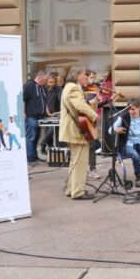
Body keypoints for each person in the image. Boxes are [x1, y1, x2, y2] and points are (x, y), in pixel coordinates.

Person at [59, 66, 98, 200]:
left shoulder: (68, 87)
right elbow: (80, 105)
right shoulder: (74, 88)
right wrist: (94, 115)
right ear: (77, 76)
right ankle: (78, 192)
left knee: (74, 162)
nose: (86, 77)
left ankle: (71, 189)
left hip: (71, 130)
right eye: (84, 75)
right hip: (75, 131)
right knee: (80, 163)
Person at [23, 71, 47, 163]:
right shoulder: (29, 85)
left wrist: (48, 113)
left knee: (36, 137)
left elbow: (45, 102)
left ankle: (34, 156)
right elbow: (22, 99)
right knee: (31, 137)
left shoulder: (42, 88)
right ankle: (29, 158)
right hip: (30, 116)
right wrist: (23, 112)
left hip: (40, 117)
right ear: (39, 77)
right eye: (44, 80)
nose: (45, 82)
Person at [83, 70, 102, 179]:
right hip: (82, 119)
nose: (92, 80)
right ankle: (82, 169)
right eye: (91, 77)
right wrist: (92, 100)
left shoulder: (93, 90)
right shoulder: (81, 89)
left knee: (92, 145)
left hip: (91, 121)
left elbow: (95, 106)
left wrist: (105, 101)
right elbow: (83, 104)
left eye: (93, 77)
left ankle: (92, 169)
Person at [40, 74, 62, 154]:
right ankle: (47, 148)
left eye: (53, 82)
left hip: (55, 114)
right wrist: (46, 112)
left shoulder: (58, 89)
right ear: (47, 82)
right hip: (46, 113)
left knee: (52, 130)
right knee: (47, 131)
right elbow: (43, 101)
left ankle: (43, 143)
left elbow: (61, 99)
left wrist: (60, 111)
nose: (51, 84)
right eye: (49, 82)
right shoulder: (44, 89)